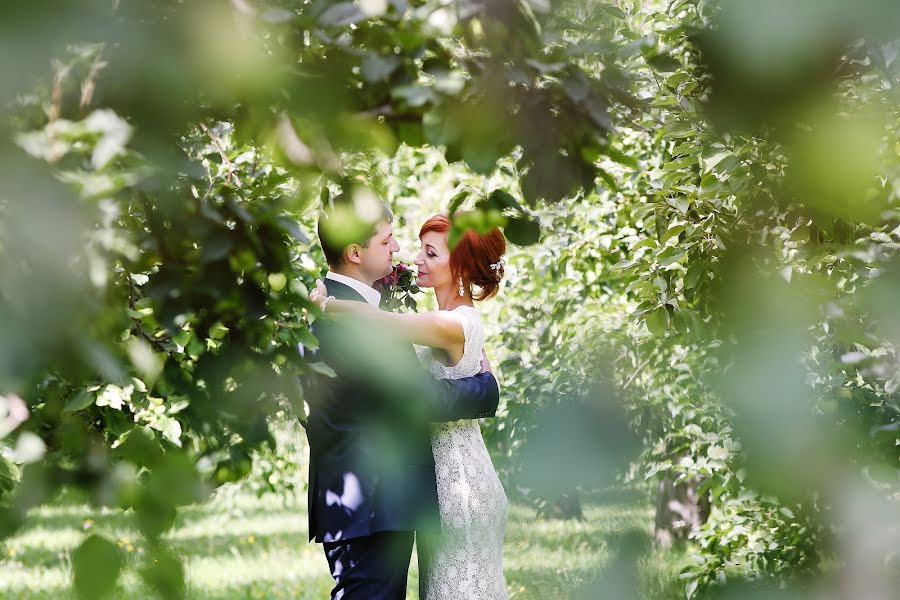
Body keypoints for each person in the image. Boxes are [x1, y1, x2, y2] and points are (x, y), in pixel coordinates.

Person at [304, 196, 501, 600]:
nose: (401, 252)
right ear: (356, 252)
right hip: (373, 504)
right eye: (389, 240)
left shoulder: (355, 313)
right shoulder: (346, 320)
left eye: (429, 252)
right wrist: (486, 388)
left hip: (439, 486)